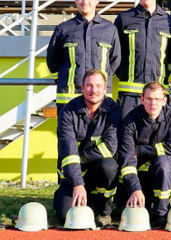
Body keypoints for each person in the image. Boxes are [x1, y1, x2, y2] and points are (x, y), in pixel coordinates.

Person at [53, 69, 121, 227]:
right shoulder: (68, 112)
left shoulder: (114, 110)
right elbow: (68, 151)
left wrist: (81, 157)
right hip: (72, 172)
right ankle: (71, 196)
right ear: (82, 88)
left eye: (98, 86)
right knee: (66, 218)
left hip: (97, 170)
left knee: (109, 165)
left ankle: (104, 211)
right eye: (89, 85)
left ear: (105, 89)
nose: (94, 90)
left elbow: (110, 147)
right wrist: (77, 183)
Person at [116, 81, 171, 228]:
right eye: (149, 99)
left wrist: (140, 150)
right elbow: (127, 159)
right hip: (138, 174)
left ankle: (161, 212)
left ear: (164, 100)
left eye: (157, 99)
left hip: (160, 172)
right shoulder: (130, 120)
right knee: (131, 210)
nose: (153, 103)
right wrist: (135, 189)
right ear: (142, 99)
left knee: (164, 163)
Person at [47, 0, 121, 107]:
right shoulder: (63, 29)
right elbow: (52, 61)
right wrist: (63, 81)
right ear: (75, 0)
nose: (85, 1)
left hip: (101, 101)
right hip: (69, 100)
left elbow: (115, 61)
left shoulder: (110, 29)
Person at [114, 0, 171, 117]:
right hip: (129, 95)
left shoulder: (168, 21)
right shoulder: (124, 19)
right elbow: (115, 54)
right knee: (126, 137)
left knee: (157, 136)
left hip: (158, 95)